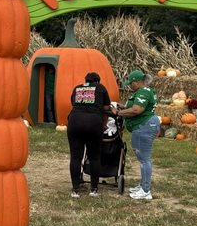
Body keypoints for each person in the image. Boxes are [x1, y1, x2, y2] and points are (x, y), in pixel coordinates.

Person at [67, 71, 111, 198]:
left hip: (75, 121)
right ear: (97, 81)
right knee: (94, 157)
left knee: (75, 157)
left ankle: (75, 190)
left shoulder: (77, 88)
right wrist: (104, 124)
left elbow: (74, 104)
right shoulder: (101, 88)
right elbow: (106, 108)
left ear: (85, 80)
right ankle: (94, 189)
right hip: (93, 122)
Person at [117, 69, 160, 201]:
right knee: (143, 158)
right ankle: (143, 185)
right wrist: (123, 107)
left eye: (131, 84)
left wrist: (118, 113)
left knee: (144, 159)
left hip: (144, 126)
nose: (130, 86)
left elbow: (137, 110)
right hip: (145, 125)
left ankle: (145, 190)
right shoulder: (147, 91)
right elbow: (137, 107)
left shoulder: (143, 92)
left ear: (136, 82)